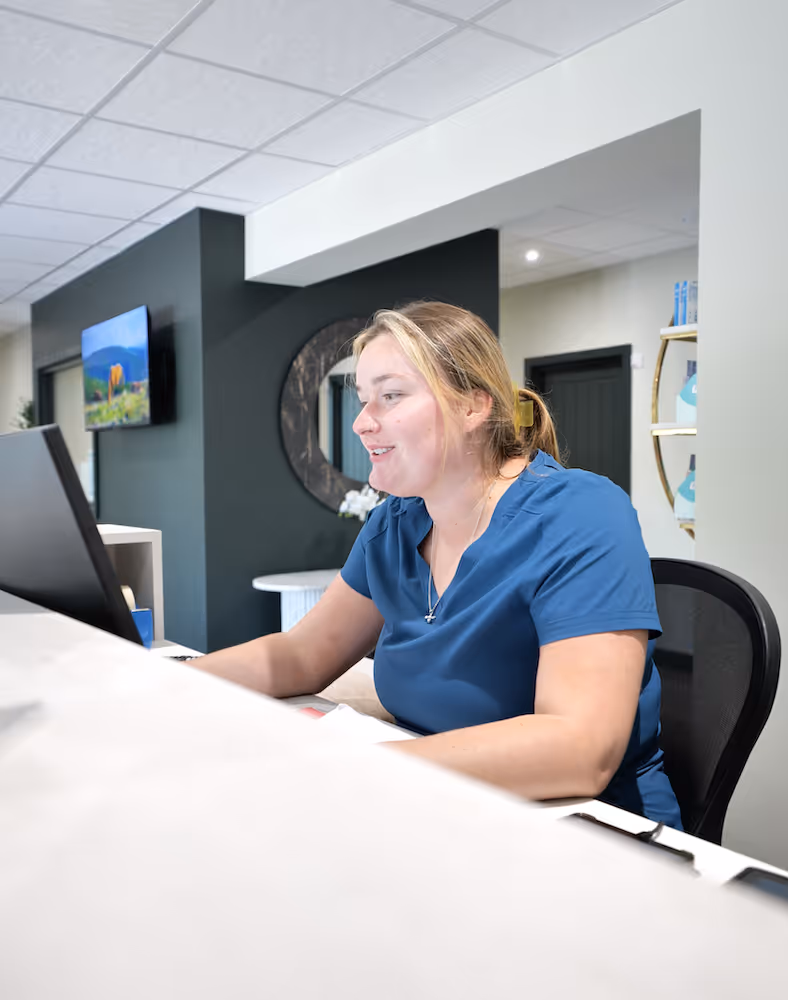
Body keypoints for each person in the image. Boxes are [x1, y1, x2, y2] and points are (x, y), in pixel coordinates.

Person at [196, 301, 682, 829]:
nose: (361, 422)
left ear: (473, 407)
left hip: (589, 835)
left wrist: (349, 769)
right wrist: (157, 680)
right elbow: (302, 654)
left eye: (390, 396)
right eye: (363, 400)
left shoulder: (580, 514)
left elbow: (579, 747)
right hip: (440, 806)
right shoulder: (395, 524)